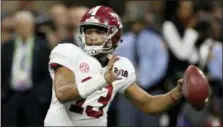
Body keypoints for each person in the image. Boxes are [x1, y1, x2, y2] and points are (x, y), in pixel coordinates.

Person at [44, 5, 184, 126]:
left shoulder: (120, 67)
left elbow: (147, 103)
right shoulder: (68, 52)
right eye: (88, 31)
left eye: (98, 32)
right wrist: (103, 79)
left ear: (114, 35)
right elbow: (63, 93)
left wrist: (176, 93)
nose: (92, 37)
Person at [1, 11, 52, 126]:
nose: (23, 28)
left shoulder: (43, 46)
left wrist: (42, 96)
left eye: (26, 25)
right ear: (16, 27)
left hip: (34, 97)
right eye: (20, 25)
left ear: (32, 27)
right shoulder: (6, 46)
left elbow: (48, 74)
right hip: (10, 96)